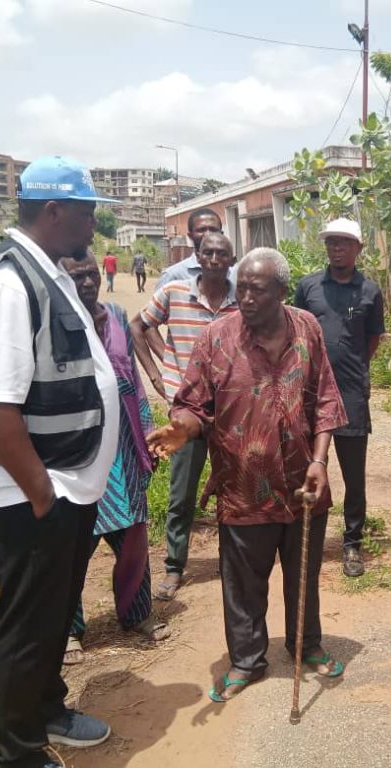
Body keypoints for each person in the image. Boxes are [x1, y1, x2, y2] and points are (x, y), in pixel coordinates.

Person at [0, 155, 121, 768]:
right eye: (87, 210)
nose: (93, 222)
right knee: (26, 624)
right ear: (54, 210)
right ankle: (18, 752)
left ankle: (47, 708)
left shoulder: (44, 270)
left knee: (52, 612)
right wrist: (42, 494)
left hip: (66, 481)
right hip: (33, 491)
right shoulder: (4, 282)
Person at [147, 248, 348, 702]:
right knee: (242, 584)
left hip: (303, 484)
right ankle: (246, 659)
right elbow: (193, 404)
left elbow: (326, 401)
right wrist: (185, 429)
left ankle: (307, 645)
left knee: (304, 575)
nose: (247, 297)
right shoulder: (216, 337)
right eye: (243, 289)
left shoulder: (308, 329)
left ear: (281, 291)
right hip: (242, 487)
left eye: (258, 289)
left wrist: (319, 461)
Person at [57, 252, 170, 666]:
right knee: (71, 547)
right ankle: (68, 629)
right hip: (76, 453)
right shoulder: (53, 321)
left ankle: (137, 613)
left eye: (91, 276)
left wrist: (146, 438)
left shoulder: (118, 316)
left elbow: (134, 382)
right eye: (76, 276)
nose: (87, 283)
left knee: (134, 540)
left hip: (123, 449)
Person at [131, 231, 238, 600]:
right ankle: (175, 567)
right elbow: (138, 326)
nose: (213, 259)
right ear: (197, 255)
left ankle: (232, 562)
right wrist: (161, 371)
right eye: (207, 252)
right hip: (187, 408)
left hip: (228, 410)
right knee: (181, 493)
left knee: (231, 487)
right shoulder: (174, 292)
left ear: (231, 259)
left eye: (221, 254)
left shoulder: (241, 301)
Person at [294, 218, 385, 577]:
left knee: (353, 474)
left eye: (345, 242)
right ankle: (303, 535)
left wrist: (350, 366)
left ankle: (352, 544)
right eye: (332, 242)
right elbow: (297, 332)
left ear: (358, 248)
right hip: (308, 393)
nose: (337, 248)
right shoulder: (308, 286)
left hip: (350, 394)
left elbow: (373, 340)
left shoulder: (370, 291)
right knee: (307, 464)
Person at [154, 207, 229, 288]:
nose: (208, 234)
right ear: (190, 236)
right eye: (201, 230)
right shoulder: (172, 276)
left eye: (213, 229)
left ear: (221, 234)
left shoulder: (235, 275)